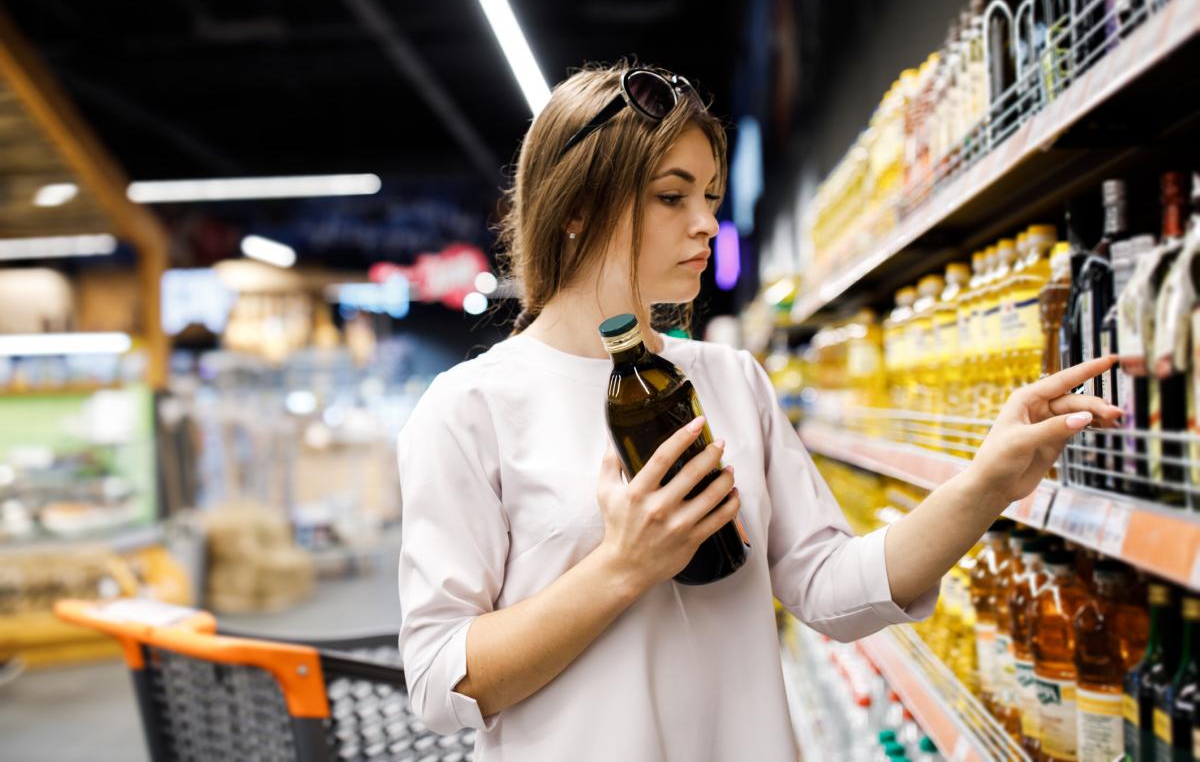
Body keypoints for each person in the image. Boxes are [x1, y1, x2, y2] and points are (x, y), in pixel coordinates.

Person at [395, 62, 1120, 761]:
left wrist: (987, 481)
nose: (707, 224)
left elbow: (832, 587)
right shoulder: (470, 410)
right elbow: (437, 680)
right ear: (578, 207)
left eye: (710, 196)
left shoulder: (732, 380)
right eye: (672, 197)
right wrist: (622, 566)